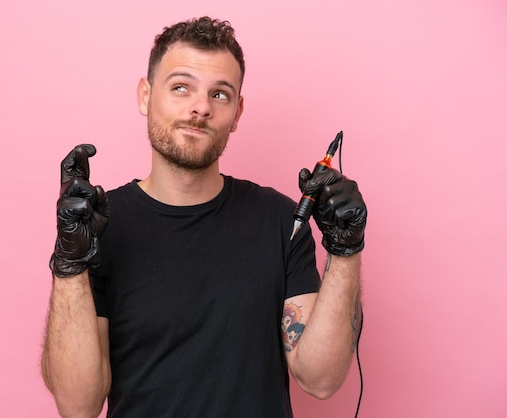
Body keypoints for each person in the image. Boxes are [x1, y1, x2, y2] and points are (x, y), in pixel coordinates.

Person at [41, 16, 367, 418]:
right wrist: (70, 265)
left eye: (220, 94)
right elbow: (78, 406)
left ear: (238, 112)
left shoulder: (282, 221)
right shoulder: (100, 226)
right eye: (181, 87)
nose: (200, 107)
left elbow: (321, 379)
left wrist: (345, 250)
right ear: (145, 95)